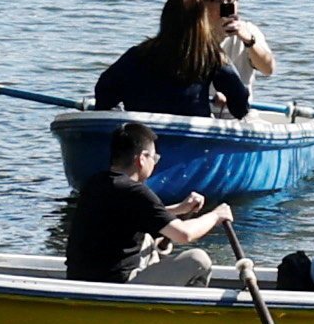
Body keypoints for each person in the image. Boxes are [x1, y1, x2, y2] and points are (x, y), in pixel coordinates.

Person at [60, 121, 236, 285]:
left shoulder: (96, 182)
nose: (155, 162)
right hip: (116, 287)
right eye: (155, 157)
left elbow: (133, 216)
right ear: (142, 158)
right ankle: (182, 314)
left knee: (147, 236)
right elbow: (184, 235)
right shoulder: (135, 191)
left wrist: (180, 209)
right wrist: (215, 216)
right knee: (198, 259)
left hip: (80, 279)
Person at [91, 0, 252, 123]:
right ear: (202, 21)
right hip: (193, 138)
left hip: (143, 138)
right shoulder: (212, 57)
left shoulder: (139, 54)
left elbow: (104, 91)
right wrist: (225, 99)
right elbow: (241, 106)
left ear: (165, 18)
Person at [198, 0, 278, 84]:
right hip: (200, 101)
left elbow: (268, 69)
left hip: (236, 101)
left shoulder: (248, 31)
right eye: (219, 1)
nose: (227, 5)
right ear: (202, 2)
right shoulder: (191, 31)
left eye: (232, 0)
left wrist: (249, 41)